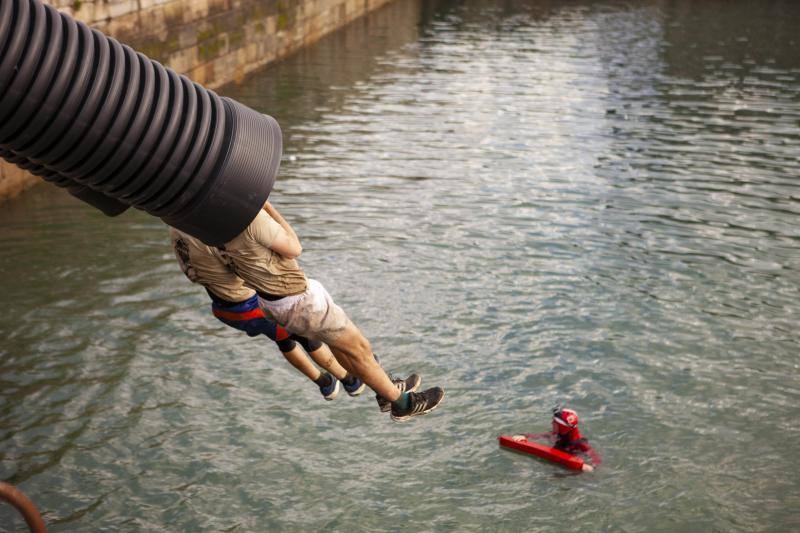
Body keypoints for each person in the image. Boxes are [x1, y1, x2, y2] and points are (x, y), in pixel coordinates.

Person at [216, 201, 444, 421]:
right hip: (298, 301)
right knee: (359, 349)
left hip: (274, 302)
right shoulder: (251, 219)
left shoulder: (212, 229)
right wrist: (267, 207)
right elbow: (294, 247)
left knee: (342, 348)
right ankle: (403, 404)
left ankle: (383, 391)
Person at [169, 227, 364, 401]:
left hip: (225, 309)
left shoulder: (176, 229)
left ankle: (325, 383)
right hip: (249, 306)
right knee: (308, 337)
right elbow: (243, 263)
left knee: (284, 339)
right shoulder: (211, 235)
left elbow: (193, 273)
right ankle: (349, 380)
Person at [512, 407, 601, 471]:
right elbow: (541, 435)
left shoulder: (579, 442)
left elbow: (595, 457)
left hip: (571, 464)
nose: (551, 423)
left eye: (554, 423)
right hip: (558, 459)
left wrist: (591, 467)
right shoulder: (557, 434)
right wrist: (524, 436)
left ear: (562, 427)